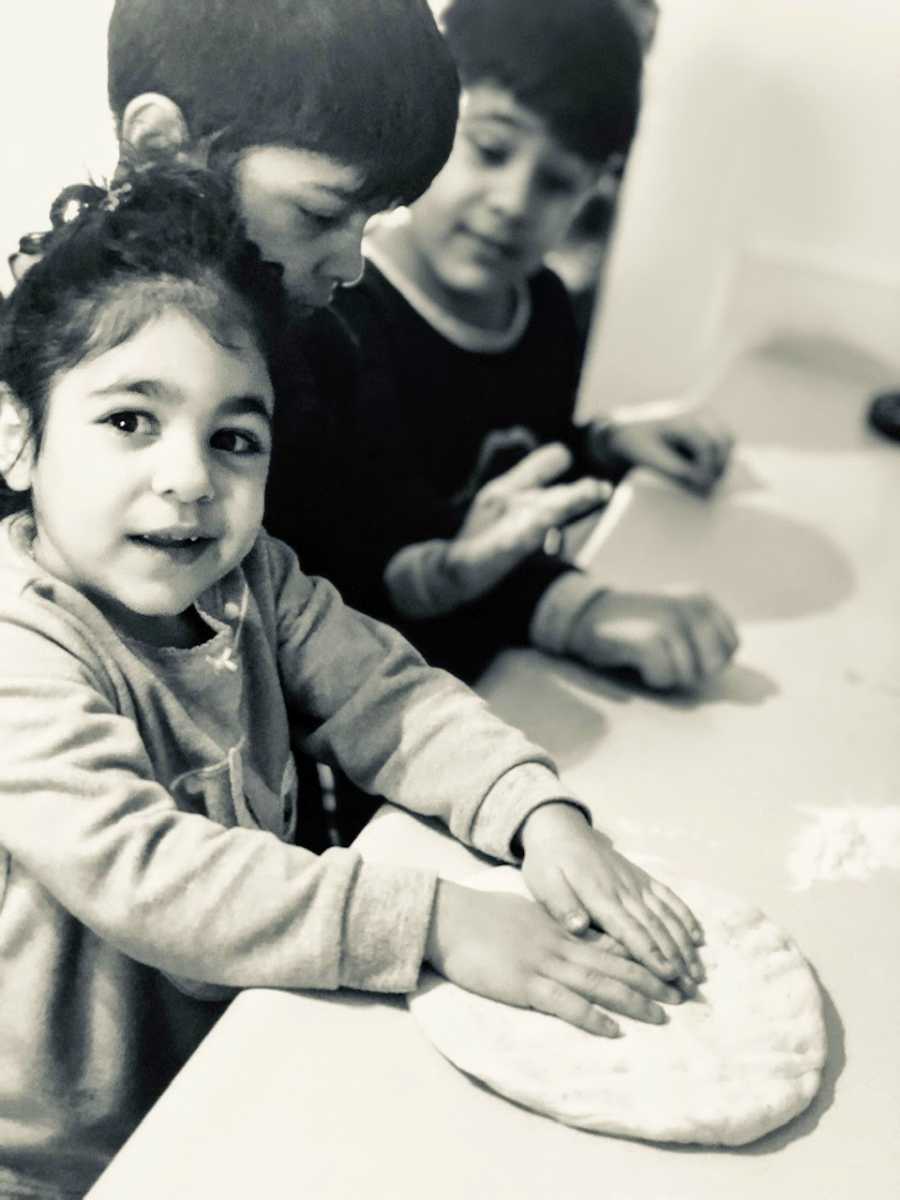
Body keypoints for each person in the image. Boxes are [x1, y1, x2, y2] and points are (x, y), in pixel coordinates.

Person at [0, 163, 705, 1199]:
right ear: (17, 435)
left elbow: (392, 698)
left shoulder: (255, 584)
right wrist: (436, 921)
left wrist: (538, 812)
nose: (190, 476)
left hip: (233, 1069)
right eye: (131, 421)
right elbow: (148, 872)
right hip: (61, 1164)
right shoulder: (21, 653)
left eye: (233, 437)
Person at [331, 0, 739, 690]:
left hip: (502, 682)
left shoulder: (543, 309)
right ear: (422, 116)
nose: (513, 201)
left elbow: (511, 456)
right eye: (490, 149)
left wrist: (604, 445)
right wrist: (576, 609)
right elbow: (363, 564)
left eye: (556, 183)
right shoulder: (343, 316)